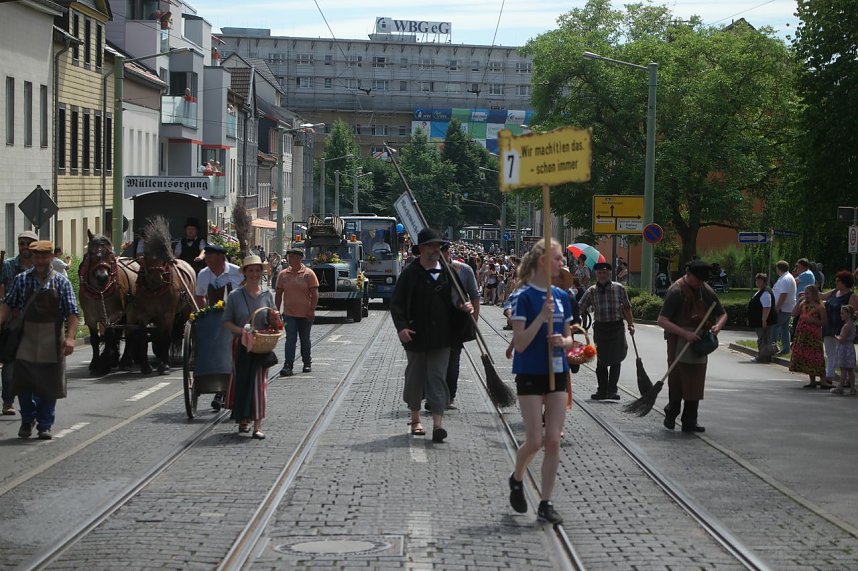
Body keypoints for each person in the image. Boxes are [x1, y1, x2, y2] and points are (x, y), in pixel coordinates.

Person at [507, 238, 574, 525]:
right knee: (535, 440)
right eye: (558, 259)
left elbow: (570, 338)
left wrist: (564, 341)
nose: (562, 264)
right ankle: (517, 477)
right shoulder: (524, 297)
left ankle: (546, 502)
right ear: (544, 261)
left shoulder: (561, 296)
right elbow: (520, 343)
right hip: (530, 371)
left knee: (553, 439)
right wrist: (541, 319)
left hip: (557, 371)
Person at [390, 228, 473, 443]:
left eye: (438, 246)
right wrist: (401, 328)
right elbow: (397, 304)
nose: (437, 249)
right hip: (416, 335)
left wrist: (464, 306)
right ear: (422, 248)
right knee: (416, 376)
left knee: (437, 377)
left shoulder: (449, 272)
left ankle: (438, 425)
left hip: (442, 336)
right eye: (432, 246)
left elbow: (458, 298)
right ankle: (415, 419)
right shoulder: (410, 273)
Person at [0, 240, 79, 440]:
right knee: (23, 383)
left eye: (44, 257)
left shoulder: (61, 282)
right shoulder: (21, 280)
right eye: (37, 257)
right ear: (33, 258)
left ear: (51, 257)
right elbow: (7, 304)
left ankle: (44, 424)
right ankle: (27, 420)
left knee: (49, 385)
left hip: (52, 340)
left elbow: (72, 312)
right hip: (25, 338)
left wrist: (70, 338)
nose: (40, 261)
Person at [657, 260, 727, 433]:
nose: (700, 284)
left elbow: (722, 314)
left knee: (695, 381)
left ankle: (690, 420)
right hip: (678, 341)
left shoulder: (705, 290)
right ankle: (671, 413)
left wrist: (717, 327)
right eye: (697, 280)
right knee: (676, 378)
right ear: (688, 275)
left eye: (703, 281)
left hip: (699, 342)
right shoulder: (676, 291)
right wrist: (684, 333)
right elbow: (662, 320)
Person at [222, 255, 278, 439]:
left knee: (259, 384)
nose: (255, 274)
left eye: (258, 270)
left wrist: (275, 320)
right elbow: (227, 322)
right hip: (242, 345)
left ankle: (258, 425)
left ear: (262, 273)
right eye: (251, 270)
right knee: (243, 382)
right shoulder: (235, 296)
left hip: (261, 345)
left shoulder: (267, 295)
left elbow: (273, 320)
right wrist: (242, 331)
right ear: (245, 273)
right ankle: (243, 419)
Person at [195, 243, 243, 410]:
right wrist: (205, 314)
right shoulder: (203, 274)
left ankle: (225, 392)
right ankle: (219, 389)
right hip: (214, 320)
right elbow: (199, 296)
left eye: (210, 256)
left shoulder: (237, 272)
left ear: (221, 258)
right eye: (206, 256)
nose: (207, 259)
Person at [578, 261, 635, 400]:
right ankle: (602, 391)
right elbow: (580, 307)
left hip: (617, 327)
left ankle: (612, 390)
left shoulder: (619, 288)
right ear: (596, 274)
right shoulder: (591, 291)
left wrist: (631, 324)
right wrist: (573, 322)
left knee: (617, 359)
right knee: (601, 360)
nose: (602, 275)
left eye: (605, 272)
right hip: (601, 328)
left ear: (609, 274)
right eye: (599, 273)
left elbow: (627, 307)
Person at [0, 230, 38, 415]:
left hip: (37, 325)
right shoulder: (7, 266)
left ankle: (33, 405)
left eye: (28, 243)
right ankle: (8, 402)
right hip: (12, 324)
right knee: (9, 364)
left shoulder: (42, 267)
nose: (24, 247)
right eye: (21, 243)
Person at [440, 243, 480, 410]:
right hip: (437, 320)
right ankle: (434, 396)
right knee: (435, 361)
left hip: (457, 321)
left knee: (452, 361)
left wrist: (474, 321)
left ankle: (449, 396)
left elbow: (475, 296)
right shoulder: (431, 270)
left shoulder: (464, 270)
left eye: (444, 251)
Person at [275, 247, 318, 377]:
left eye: (293, 257)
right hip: (289, 314)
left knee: (305, 340)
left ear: (300, 258)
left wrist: (312, 310)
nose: (291, 259)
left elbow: (315, 294)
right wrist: (276, 311)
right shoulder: (283, 275)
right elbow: (278, 294)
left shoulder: (309, 274)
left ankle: (307, 362)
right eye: (290, 257)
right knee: (290, 339)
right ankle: (288, 365)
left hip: (305, 314)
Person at [821, 271, 858, 388]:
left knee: (842, 355)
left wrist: (847, 327)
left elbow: (852, 313)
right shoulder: (834, 292)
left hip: (842, 329)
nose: (835, 282)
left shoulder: (851, 296)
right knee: (830, 353)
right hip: (829, 327)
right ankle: (829, 377)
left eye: (838, 280)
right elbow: (821, 296)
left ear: (845, 282)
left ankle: (847, 380)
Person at [789, 285, 827, 386]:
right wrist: (799, 301)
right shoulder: (803, 304)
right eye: (805, 293)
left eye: (808, 293)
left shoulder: (820, 306)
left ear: (814, 294)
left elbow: (824, 322)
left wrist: (813, 320)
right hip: (802, 334)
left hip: (813, 335)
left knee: (816, 356)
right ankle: (812, 380)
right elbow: (793, 313)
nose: (806, 295)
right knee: (807, 356)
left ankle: (823, 380)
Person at [747, 273, 778, 363]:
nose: (757, 282)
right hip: (759, 320)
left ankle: (763, 356)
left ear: (764, 281)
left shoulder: (765, 292)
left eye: (759, 280)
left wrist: (764, 320)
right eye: (756, 280)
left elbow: (766, 307)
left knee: (762, 339)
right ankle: (765, 356)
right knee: (763, 338)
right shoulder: (760, 291)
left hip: (764, 320)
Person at [772, 260, 797, 355]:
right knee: (784, 328)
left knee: (774, 326)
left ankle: (772, 347)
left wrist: (777, 307)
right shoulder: (786, 277)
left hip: (783, 309)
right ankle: (786, 348)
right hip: (787, 308)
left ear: (778, 269)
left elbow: (783, 294)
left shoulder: (785, 279)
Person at [830, 305, 856, 395]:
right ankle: (852, 388)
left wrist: (835, 336)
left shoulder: (846, 326)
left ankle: (840, 387)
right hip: (850, 348)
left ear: (849, 314)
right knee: (850, 370)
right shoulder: (852, 325)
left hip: (844, 349)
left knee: (843, 369)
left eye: (842, 313)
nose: (841, 315)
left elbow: (842, 339)